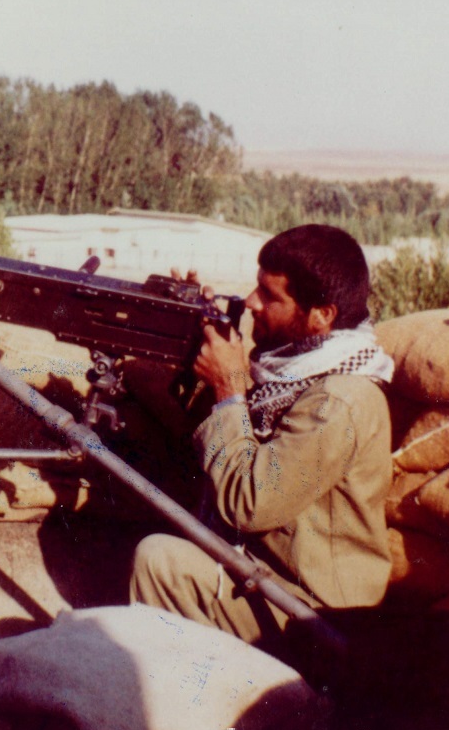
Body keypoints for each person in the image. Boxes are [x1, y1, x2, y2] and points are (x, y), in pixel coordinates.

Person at [130, 224, 395, 650]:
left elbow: (248, 504)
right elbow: (220, 432)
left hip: (311, 613)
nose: (252, 301)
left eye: (270, 296)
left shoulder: (340, 400)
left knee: (160, 562)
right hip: (263, 573)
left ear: (322, 315)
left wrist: (229, 386)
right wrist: (194, 332)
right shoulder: (291, 373)